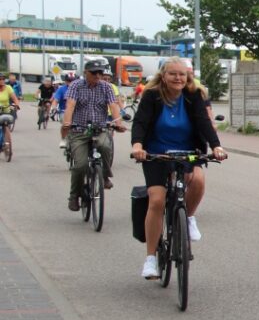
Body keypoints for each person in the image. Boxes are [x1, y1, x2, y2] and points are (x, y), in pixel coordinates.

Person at [130, 57, 228, 279]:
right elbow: (141, 122)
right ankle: (151, 259)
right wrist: (138, 145)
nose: (178, 78)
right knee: (156, 200)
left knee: (199, 180)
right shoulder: (152, 95)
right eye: (173, 73)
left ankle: (189, 217)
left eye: (182, 74)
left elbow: (203, 122)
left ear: (188, 77)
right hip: (156, 152)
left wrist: (216, 146)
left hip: (188, 150)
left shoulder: (193, 96)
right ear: (163, 76)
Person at [64, 60, 126, 211]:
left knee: (105, 146)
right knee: (80, 166)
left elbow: (113, 105)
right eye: (94, 73)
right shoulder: (76, 86)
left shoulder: (106, 87)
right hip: (79, 130)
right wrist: (67, 122)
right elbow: (70, 105)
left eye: (100, 73)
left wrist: (118, 122)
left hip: (100, 128)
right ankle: (74, 196)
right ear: (86, 72)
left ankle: (104, 176)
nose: (98, 76)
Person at [0, 78, 20, 149]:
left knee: (6, 124)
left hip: (6, 110)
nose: (2, 81)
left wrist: (16, 105)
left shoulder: (8, 88)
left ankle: (6, 141)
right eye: (0, 79)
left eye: (3, 79)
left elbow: (14, 98)